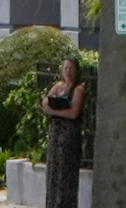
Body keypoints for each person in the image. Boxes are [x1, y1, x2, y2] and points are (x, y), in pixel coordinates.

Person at [39, 51, 89, 208]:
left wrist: (54, 112)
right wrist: (48, 105)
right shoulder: (59, 86)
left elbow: (74, 113)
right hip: (56, 134)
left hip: (68, 137)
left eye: (71, 68)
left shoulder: (78, 89)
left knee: (65, 175)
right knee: (54, 171)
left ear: (76, 71)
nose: (68, 72)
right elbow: (45, 101)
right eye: (66, 68)